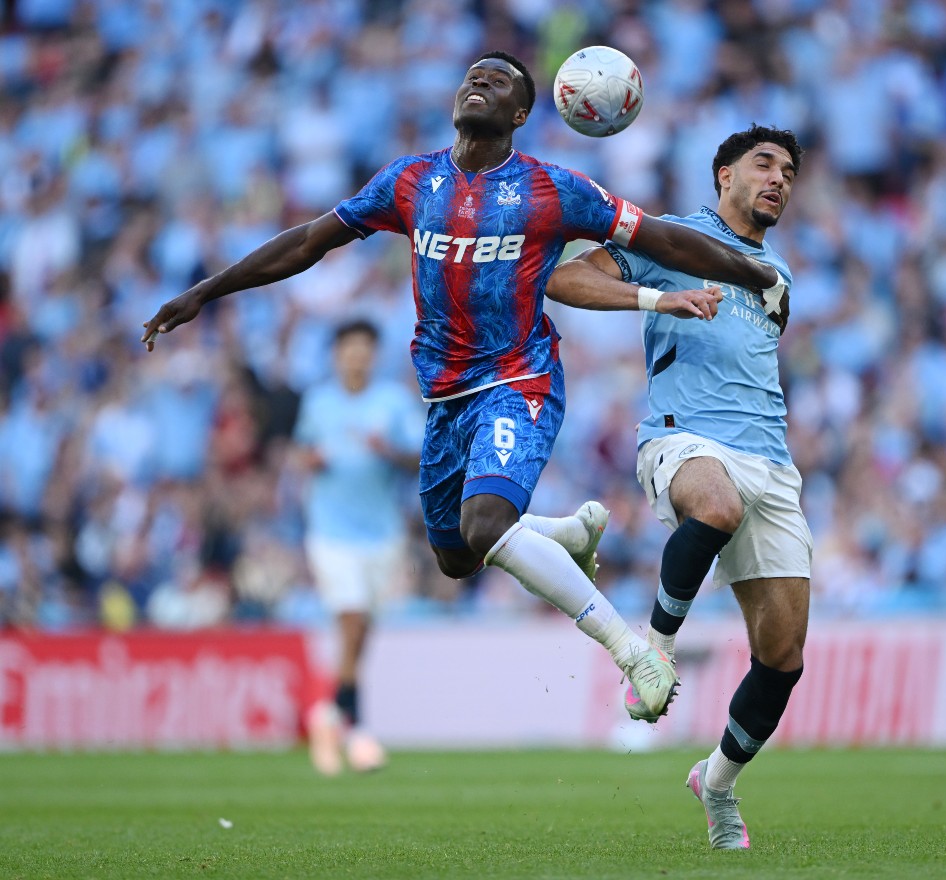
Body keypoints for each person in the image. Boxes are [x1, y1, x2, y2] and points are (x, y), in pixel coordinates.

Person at [141, 52, 782, 722]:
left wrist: (756, 274)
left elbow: (666, 241)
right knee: (455, 558)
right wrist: (207, 291)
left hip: (520, 378)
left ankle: (633, 651)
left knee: (485, 524)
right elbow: (309, 240)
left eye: (498, 80)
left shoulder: (555, 191)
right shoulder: (411, 182)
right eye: (473, 74)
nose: (479, 81)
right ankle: (564, 535)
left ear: (520, 114)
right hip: (447, 398)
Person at [547, 124, 810, 850]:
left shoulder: (777, 272)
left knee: (783, 657)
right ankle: (653, 649)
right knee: (715, 505)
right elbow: (564, 278)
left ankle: (717, 783)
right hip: (682, 438)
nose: (778, 178)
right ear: (723, 173)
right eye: (764, 164)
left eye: (788, 170)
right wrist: (656, 302)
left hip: (771, 462)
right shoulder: (670, 240)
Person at [293, 319, 421, 776]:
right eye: (349, 348)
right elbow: (300, 453)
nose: (356, 356)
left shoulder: (392, 402)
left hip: (382, 532)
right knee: (350, 621)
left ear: (374, 354)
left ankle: (327, 714)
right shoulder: (319, 402)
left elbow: (419, 458)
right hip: (330, 531)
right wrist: (311, 460)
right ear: (337, 354)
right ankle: (358, 728)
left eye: (365, 349)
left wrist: (387, 450)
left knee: (361, 631)